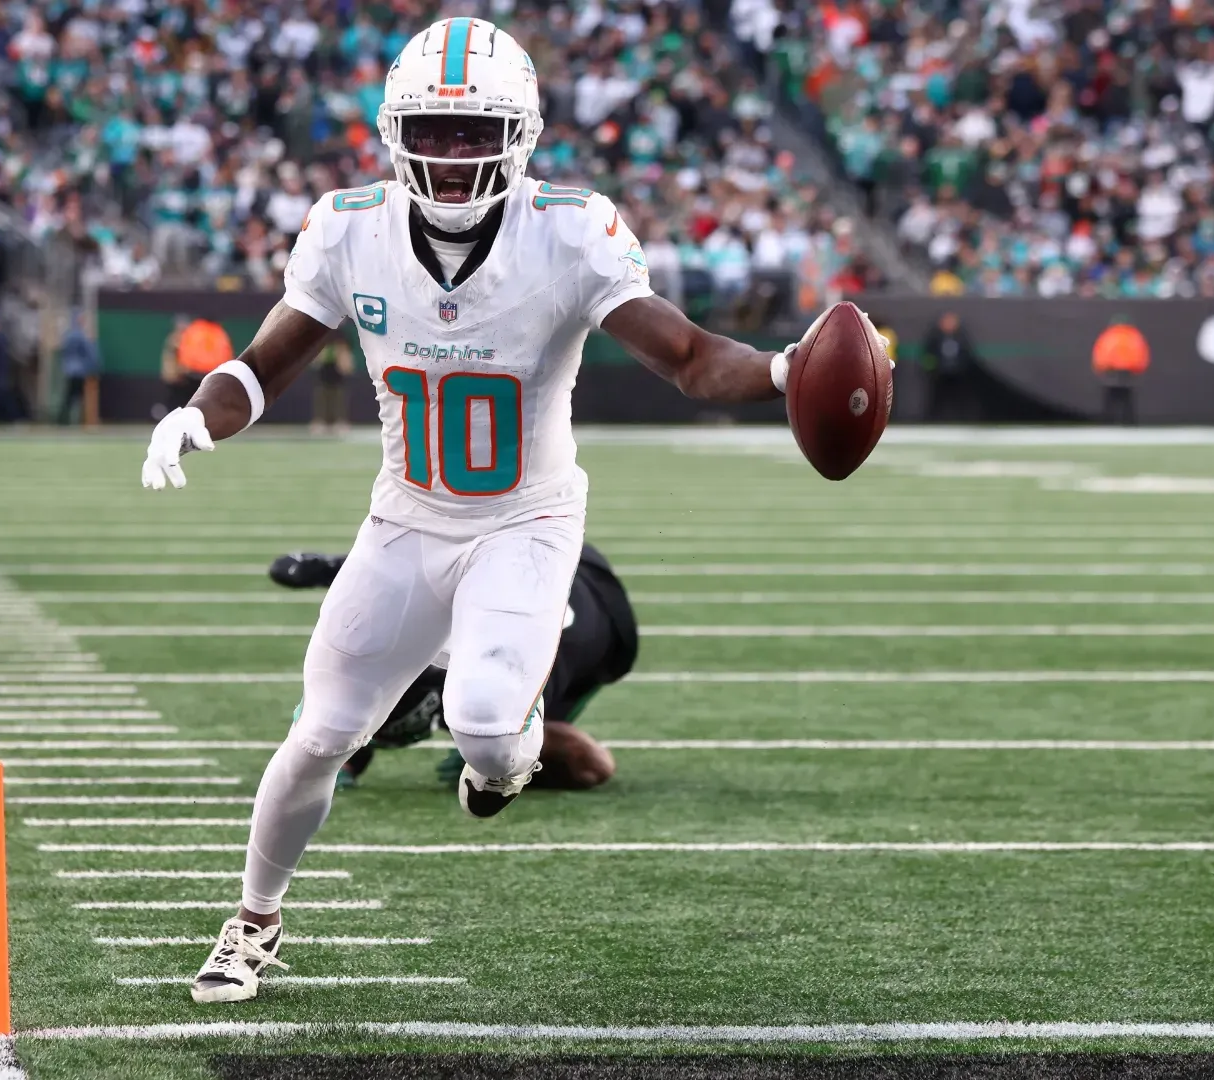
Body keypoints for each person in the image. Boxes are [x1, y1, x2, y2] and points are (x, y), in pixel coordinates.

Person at [139, 17, 880, 1004]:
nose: (452, 154)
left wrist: (787, 369)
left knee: (484, 733)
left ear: (521, 132)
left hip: (524, 521)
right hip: (405, 518)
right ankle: (253, 921)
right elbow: (264, 363)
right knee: (320, 735)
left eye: (473, 129)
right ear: (394, 132)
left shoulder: (568, 230)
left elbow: (692, 357)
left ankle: (508, 737)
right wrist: (198, 414)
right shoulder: (348, 226)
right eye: (433, 132)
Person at [268, 543, 634, 791]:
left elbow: (592, 766)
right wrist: (324, 569)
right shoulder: (485, 663)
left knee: (505, 751)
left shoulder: (515, 681)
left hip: (599, 624)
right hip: (552, 570)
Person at [920, 310, 976, 421]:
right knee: (937, 398)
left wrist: (962, 367)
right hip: (940, 372)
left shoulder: (961, 337)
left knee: (960, 397)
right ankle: (933, 419)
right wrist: (932, 368)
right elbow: (928, 354)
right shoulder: (935, 337)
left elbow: (967, 354)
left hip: (957, 372)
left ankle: (962, 418)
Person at [55, 309, 100, 426]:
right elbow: (90, 354)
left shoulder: (68, 336)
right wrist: (94, 367)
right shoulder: (81, 336)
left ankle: (63, 420)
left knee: (69, 396)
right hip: (79, 371)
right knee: (77, 397)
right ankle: (78, 421)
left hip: (70, 370)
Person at [307, 336, 353, 434]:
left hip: (338, 379)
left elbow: (346, 364)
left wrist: (344, 360)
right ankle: (320, 422)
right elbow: (315, 362)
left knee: (338, 401)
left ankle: (340, 422)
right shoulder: (321, 343)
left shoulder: (341, 341)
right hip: (323, 378)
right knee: (322, 400)